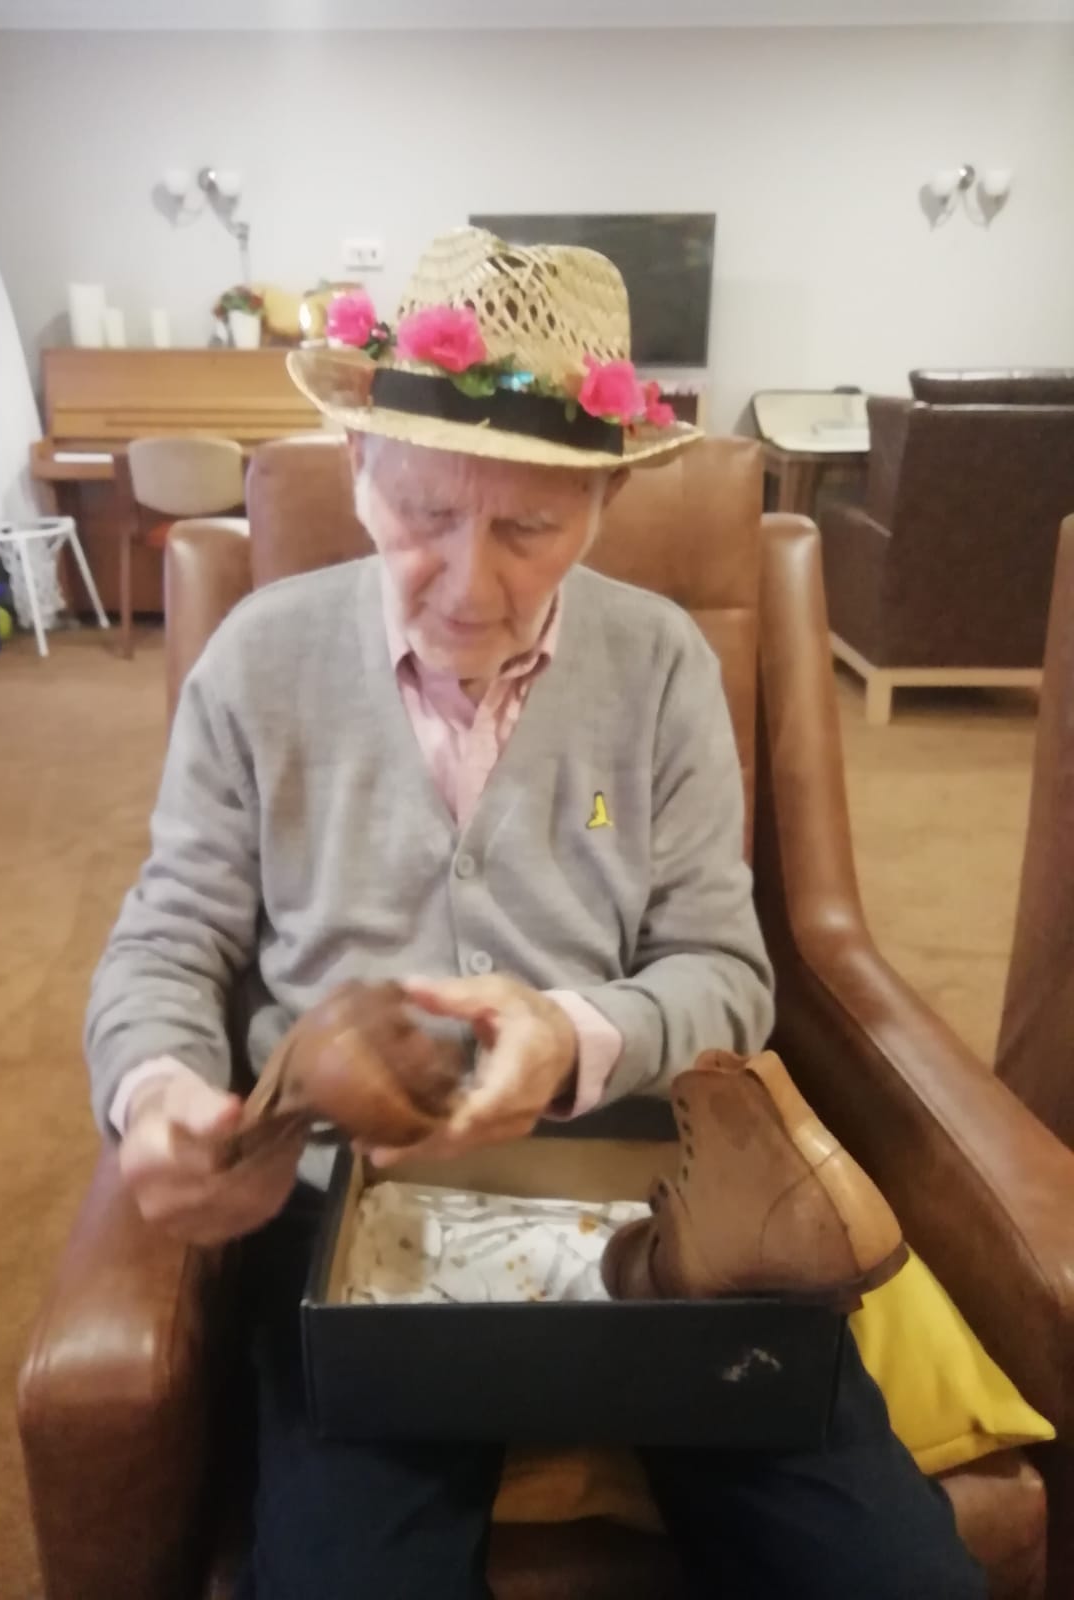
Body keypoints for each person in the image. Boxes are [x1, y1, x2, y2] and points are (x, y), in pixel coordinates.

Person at [85, 228, 986, 1598]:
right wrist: (159, 1093)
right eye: (423, 517)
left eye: (527, 529)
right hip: (344, 1224)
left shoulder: (663, 664)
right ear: (362, 470)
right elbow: (168, 938)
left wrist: (573, 1040)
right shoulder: (258, 661)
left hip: (658, 1211)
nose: (466, 583)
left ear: (606, 505)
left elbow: (724, 974)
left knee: (896, 1578)